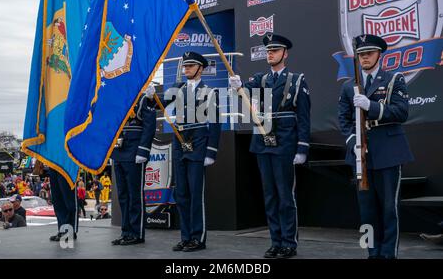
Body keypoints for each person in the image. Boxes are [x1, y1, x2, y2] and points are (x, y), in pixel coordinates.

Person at [229, 33, 310, 258]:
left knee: (285, 196)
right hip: (263, 142)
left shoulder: (297, 80)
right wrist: (237, 87)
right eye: (268, 51)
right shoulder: (260, 80)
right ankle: (275, 241)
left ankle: (289, 243)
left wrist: (302, 148)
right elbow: (245, 96)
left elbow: (303, 117)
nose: (270, 54)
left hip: (285, 143)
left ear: (285, 53)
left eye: (275, 50)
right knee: (270, 196)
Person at [338, 34, 414, 259]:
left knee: (389, 209)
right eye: (361, 54)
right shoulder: (348, 86)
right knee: (366, 209)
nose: (364, 58)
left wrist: (370, 106)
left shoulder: (393, 80)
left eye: (369, 53)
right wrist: (353, 142)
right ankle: (372, 252)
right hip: (361, 154)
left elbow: (401, 113)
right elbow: (343, 119)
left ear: (379, 54)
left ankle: (388, 254)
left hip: (388, 150)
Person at [145, 51, 221, 252]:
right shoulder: (178, 88)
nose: (186, 69)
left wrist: (211, 151)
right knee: (182, 195)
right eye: (185, 66)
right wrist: (152, 95)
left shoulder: (209, 92)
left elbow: (214, 123)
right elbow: (160, 103)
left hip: (197, 144)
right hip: (179, 144)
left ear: (200, 68)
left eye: (190, 66)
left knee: (196, 194)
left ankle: (198, 237)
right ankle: (186, 236)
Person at [109, 93, 157, 246]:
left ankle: (136, 232)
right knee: (123, 195)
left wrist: (143, 150)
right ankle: (126, 231)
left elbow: (149, 125)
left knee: (134, 194)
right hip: (119, 151)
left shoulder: (142, 98)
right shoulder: (116, 98)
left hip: (134, 151)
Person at [47, 167, 79, 242]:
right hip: (53, 163)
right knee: (57, 200)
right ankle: (62, 229)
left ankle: (71, 230)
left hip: (67, 163)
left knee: (69, 200)